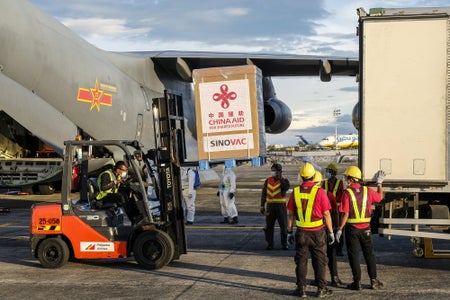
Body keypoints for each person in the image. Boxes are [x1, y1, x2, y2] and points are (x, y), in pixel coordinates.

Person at [287, 162, 334, 298]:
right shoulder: (320, 192)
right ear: (313, 176)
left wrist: (289, 231)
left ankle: (301, 289)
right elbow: (326, 214)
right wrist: (331, 232)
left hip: (301, 232)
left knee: (301, 261)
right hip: (318, 232)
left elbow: (290, 214)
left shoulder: (295, 192)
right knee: (320, 261)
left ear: (301, 176)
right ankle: (321, 289)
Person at [335, 166, 385, 291]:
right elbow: (379, 198)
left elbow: (345, 214)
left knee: (354, 256)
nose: (346, 180)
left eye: (347, 178)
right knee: (369, 255)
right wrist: (379, 183)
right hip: (366, 229)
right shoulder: (367, 191)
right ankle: (373, 280)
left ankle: (356, 282)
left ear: (352, 179)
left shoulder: (347, 193)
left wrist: (340, 229)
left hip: (352, 229)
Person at [315, 170, 344, 288]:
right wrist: (336, 228)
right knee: (331, 254)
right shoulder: (328, 194)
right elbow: (334, 213)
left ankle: (320, 279)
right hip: (328, 228)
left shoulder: (307, 194)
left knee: (318, 255)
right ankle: (334, 277)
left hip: (317, 229)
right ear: (321, 182)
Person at [260, 163, 290, 250]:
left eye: (274, 171)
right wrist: (262, 205)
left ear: (279, 172)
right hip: (270, 206)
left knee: (283, 226)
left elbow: (286, 188)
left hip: (280, 207)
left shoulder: (284, 180)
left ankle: (284, 244)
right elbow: (264, 193)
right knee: (269, 226)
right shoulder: (268, 180)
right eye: (272, 170)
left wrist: (280, 179)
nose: (272, 172)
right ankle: (270, 244)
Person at [323, 163, 345, 256]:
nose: (326, 173)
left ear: (333, 173)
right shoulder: (325, 183)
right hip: (328, 209)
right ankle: (329, 249)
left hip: (338, 210)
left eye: (328, 171)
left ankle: (339, 249)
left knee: (338, 229)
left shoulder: (339, 183)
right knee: (328, 229)